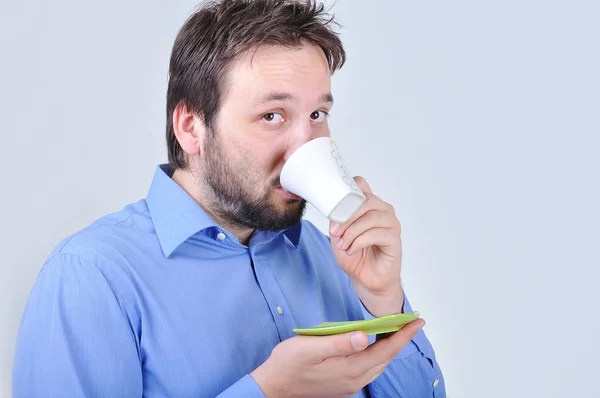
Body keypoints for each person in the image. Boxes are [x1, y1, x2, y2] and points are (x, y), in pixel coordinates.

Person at [12, 0, 446, 396]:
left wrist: (381, 298)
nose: (304, 144)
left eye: (317, 115)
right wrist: (268, 391)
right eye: (272, 115)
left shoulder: (330, 254)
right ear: (191, 128)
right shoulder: (92, 277)